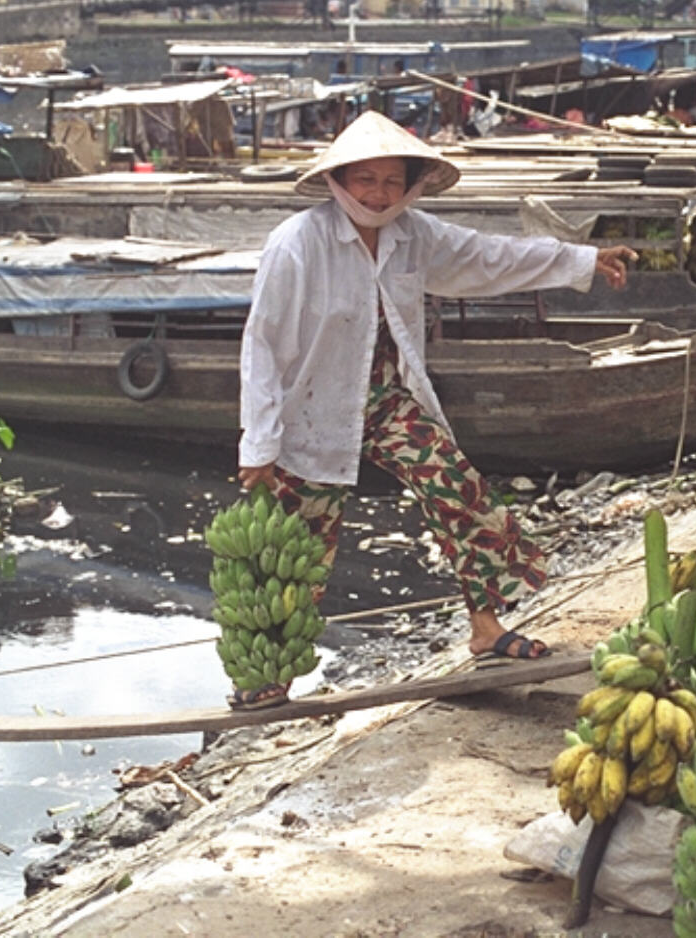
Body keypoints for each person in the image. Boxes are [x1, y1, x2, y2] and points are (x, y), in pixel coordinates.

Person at [237, 112, 636, 709]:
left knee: (458, 491)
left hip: (387, 398)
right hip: (312, 411)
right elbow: (262, 345)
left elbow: (488, 258)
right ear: (339, 180)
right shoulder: (297, 244)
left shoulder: (412, 235)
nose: (377, 194)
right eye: (365, 180)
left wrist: (581, 261)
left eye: (390, 183)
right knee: (299, 546)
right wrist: (260, 445)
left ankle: (486, 627)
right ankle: (268, 676)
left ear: (410, 187)